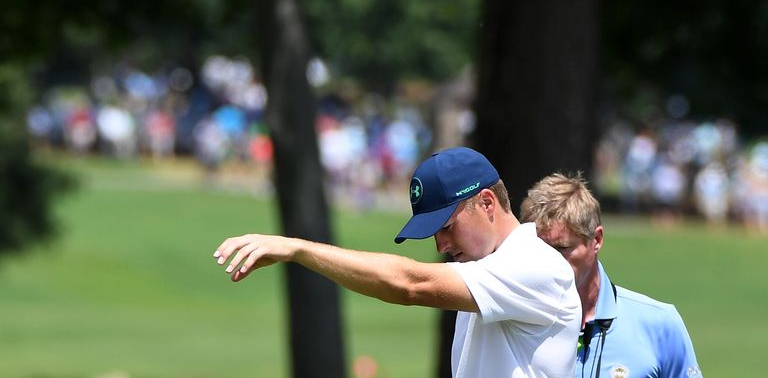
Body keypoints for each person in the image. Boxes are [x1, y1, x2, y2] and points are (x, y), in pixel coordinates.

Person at [213, 147, 581, 377]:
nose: (440, 245)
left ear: (486, 203)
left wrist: (297, 249)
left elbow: (409, 285)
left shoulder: (533, 263)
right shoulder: (488, 267)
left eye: (447, 226)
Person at [520, 173, 703, 378]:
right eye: (539, 249)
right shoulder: (511, 321)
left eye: (562, 248)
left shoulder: (659, 324)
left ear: (596, 239)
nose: (549, 262)